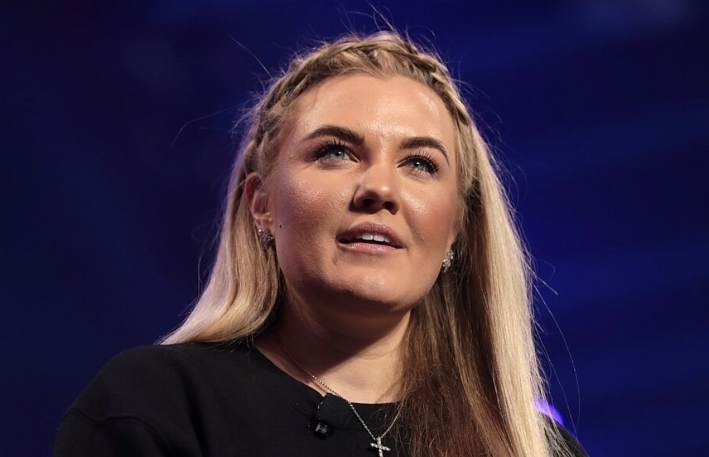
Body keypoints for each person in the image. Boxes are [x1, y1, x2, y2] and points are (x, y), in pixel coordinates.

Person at [54, 31, 588, 457]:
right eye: (336, 152)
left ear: (456, 229)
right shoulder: (155, 405)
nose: (380, 188)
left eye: (419, 163)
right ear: (261, 203)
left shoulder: (533, 447)